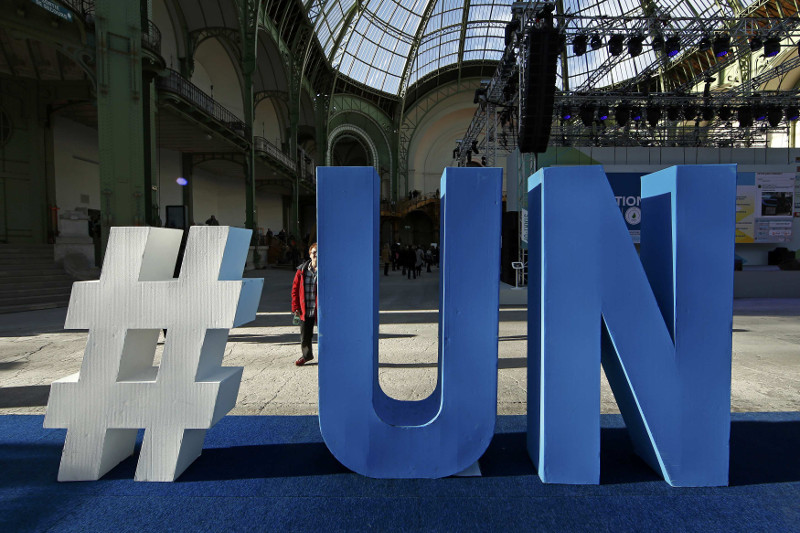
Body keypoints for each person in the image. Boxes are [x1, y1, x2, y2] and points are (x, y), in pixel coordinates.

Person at [291, 243, 318, 366]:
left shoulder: (325, 269)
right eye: (314, 252)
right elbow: (295, 290)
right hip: (305, 309)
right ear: (310, 254)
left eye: (318, 252)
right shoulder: (301, 270)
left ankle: (329, 356)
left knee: (325, 335)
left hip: (319, 310)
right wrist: (296, 308)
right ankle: (307, 355)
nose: (316, 254)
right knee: (305, 336)